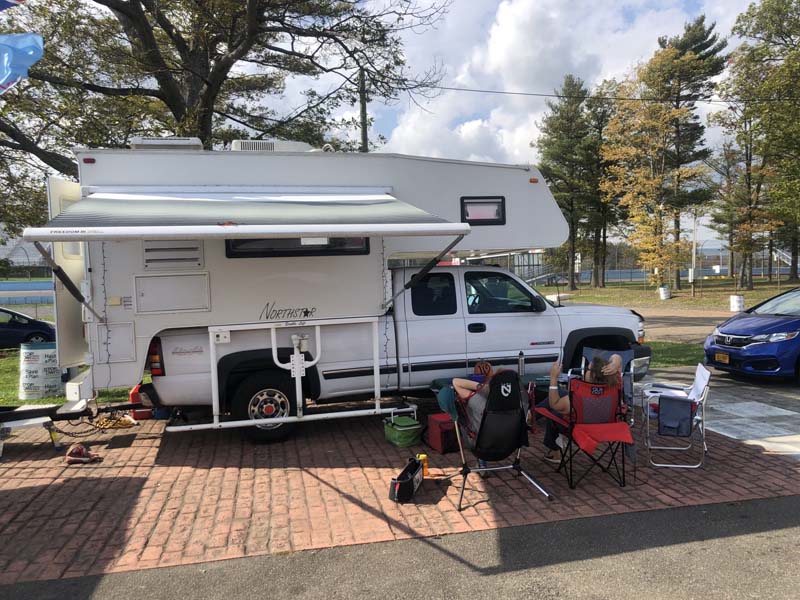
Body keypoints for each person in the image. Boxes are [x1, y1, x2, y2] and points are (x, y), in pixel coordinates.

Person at [542, 354, 622, 463]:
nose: (585, 371)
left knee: (552, 414)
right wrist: (614, 363)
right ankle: (530, 415)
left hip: (582, 431)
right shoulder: (614, 385)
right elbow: (616, 356)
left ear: (593, 374)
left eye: (587, 369)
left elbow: (554, 404)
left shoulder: (579, 397)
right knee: (561, 392)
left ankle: (554, 451)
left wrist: (553, 378)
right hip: (608, 428)